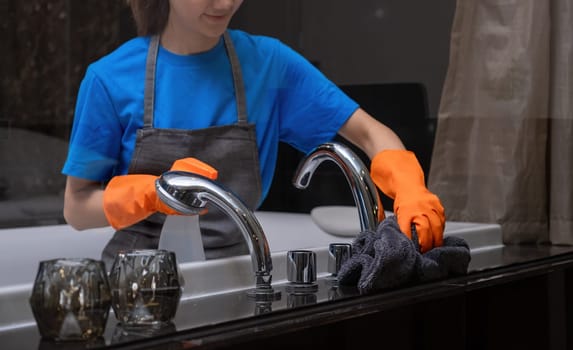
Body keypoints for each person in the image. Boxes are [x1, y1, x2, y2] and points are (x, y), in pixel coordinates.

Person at [62, 0, 445, 269]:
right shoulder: (109, 79)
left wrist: (410, 186)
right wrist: (148, 195)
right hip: (134, 284)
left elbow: (371, 133)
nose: (225, 3)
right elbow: (76, 208)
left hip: (235, 278)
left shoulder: (268, 65)